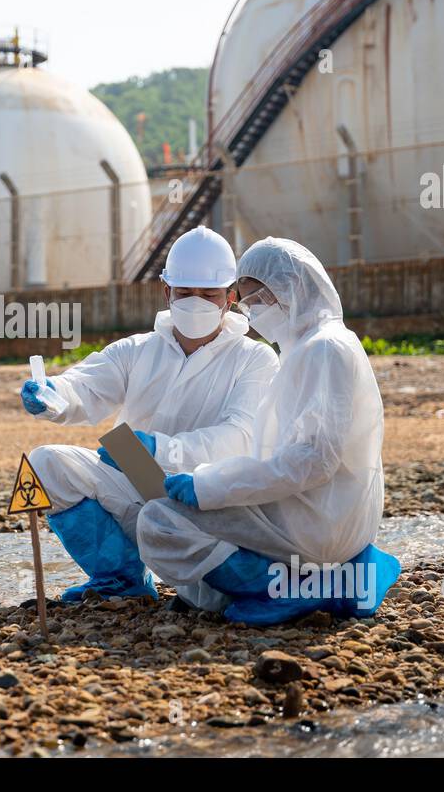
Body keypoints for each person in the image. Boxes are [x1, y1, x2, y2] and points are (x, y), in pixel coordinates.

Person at [135, 237, 400, 623]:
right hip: (332, 512)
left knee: (159, 521)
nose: (250, 312)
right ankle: (351, 573)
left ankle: (289, 590)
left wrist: (207, 485)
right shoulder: (307, 347)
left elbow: (311, 461)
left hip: (320, 519)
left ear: (288, 289)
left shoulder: (322, 350)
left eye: (255, 300)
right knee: (203, 576)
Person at [20, 226, 278, 603]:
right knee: (47, 463)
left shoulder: (253, 359)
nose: (196, 303)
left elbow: (238, 437)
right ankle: (121, 580)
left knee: (210, 602)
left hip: (207, 497)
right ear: (165, 291)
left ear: (231, 296)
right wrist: (52, 394)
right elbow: (87, 385)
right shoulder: (138, 350)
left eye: (209, 294)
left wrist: (160, 448)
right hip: (138, 476)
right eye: (185, 292)